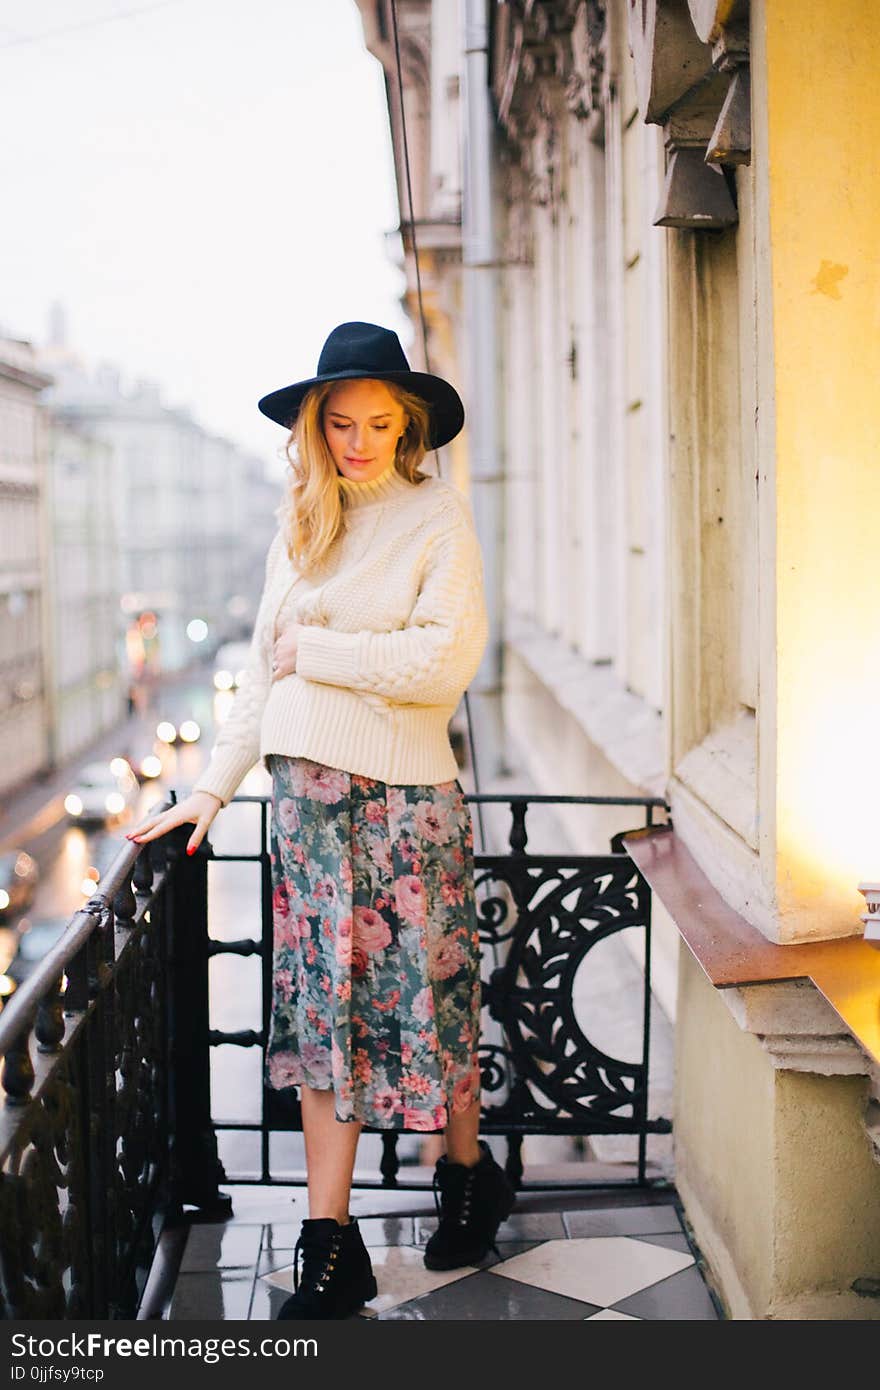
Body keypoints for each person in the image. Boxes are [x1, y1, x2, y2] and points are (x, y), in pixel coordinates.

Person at [126, 322, 515, 1320]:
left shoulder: (439, 520)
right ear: (314, 426)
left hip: (403, 810)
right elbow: (262, 670)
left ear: (409, 423)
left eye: (378, 421)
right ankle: (327, 1245)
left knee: (429, 1007)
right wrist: (211, 787)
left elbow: (441, 662)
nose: (357, 440)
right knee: (319, 1022)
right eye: (339, 423)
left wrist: (325, 648)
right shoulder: (299, 526)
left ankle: (466, 1178)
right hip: (304, 808)